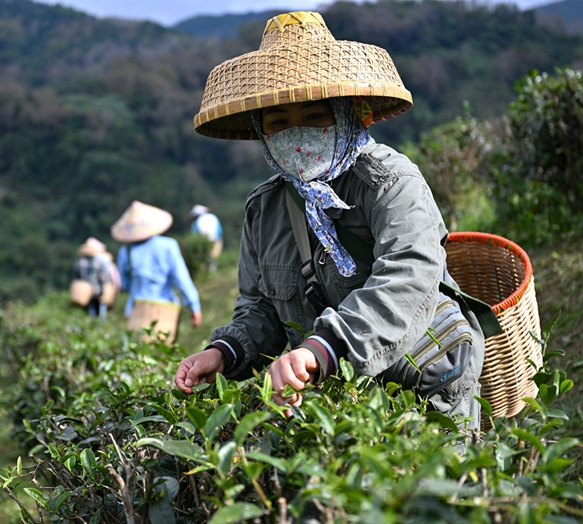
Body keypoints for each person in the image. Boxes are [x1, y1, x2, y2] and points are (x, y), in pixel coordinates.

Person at [175, 11, 487, 430]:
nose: (297, 132)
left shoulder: (390, 181)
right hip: (339, 397)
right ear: (262, 132)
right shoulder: (264, 209)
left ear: (345, 113)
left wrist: (325, 348)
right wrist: (225, 351)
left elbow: (408, 275)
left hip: (425, 378)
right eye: (279, 122)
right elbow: (260, 308)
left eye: (314, 115)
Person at [112, 200, 202, 345]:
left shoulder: (125, 251)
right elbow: (181, 279)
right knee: (162, 354)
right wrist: (194, 306)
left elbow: (125, 283)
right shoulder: (168, 246)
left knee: (137, 353)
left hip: (136, 310)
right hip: (164, 310)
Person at [71, 237, 114, 318]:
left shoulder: (79, 261)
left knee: (90, 307)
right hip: (97, 289)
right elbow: (104, 277)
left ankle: (91, 320)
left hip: (84, 289)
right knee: (101, 307)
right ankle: (102, 320)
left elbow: (77, 276)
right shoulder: (99, 262)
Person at [190, 204, 224, 270]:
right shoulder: (214, 217)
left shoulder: (196, 222)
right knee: (213, 260)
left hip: (202, 244)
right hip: (215, 241)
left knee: (204, 262)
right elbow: (220, 232)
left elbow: (194, 235)